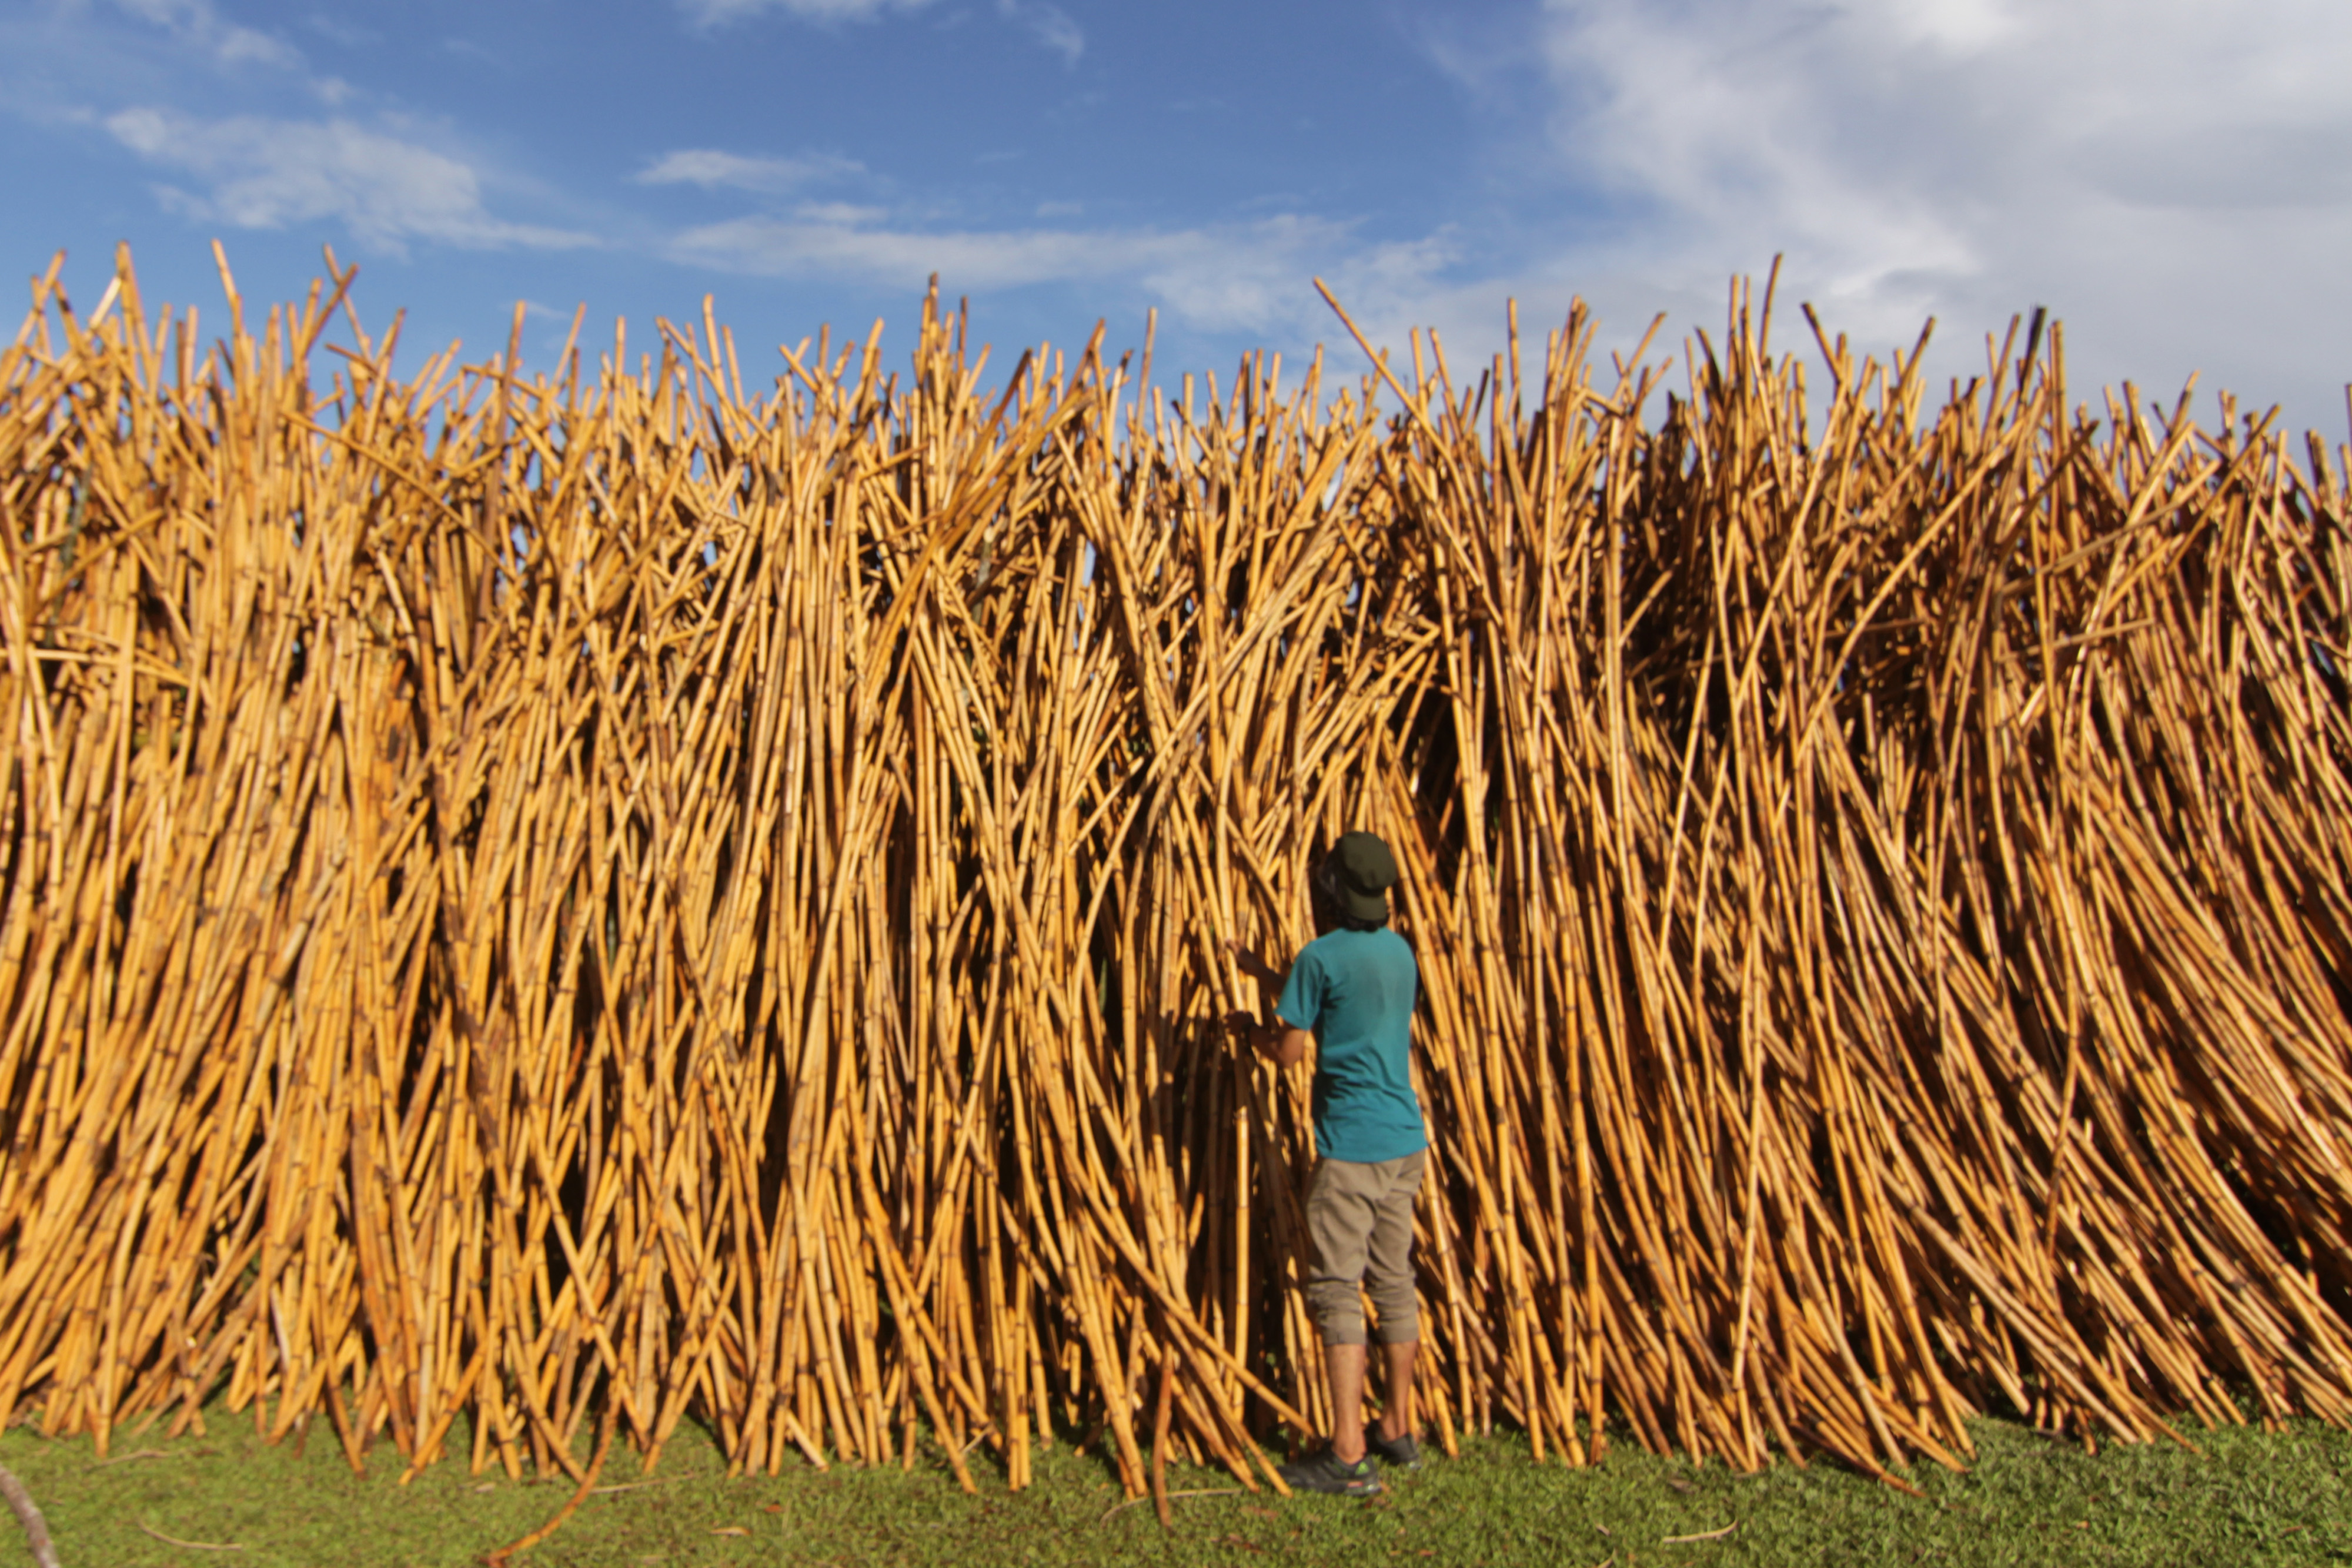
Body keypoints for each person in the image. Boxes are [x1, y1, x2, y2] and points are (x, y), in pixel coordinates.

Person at [1227, 830, 1428, 1498]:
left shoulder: (1319, 955)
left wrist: (1249, 1032)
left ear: (1332, 890)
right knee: (1393, 1280)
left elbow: (1288, 1051)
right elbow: (1348, 1003)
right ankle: (1398, 1426)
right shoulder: (1400, 953)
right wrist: (1264, 974)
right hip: (1405, 1144)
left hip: (1350, 1151)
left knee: (1338, 1289)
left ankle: (1346, 1455)